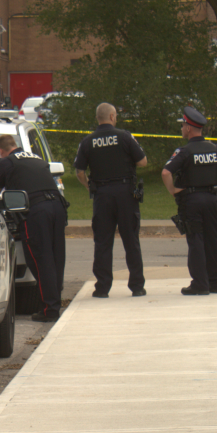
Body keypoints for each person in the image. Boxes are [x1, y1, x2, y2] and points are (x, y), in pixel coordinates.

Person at [0, 134, 67, 322]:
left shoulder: (6, 162)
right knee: (56, 257)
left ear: (0, 150)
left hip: (37, 212)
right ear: (15, 145)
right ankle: (54, 302)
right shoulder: (36, 158)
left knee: (41, 258)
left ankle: (50, 309)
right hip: (57, 207)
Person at [74, 102, 148, 298]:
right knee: (131, 240)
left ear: (97, 118)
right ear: (113, 116)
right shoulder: (125, 136)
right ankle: (137, 286)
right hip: (125, 193)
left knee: (103, 241)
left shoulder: (87, 142)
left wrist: (90, 185)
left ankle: (102, 288)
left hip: (102, 194)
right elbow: (142, 161)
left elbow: (79, 171)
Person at [161, 106, 217, 295]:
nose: (181, 129)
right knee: (212, 240)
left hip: (191, 201)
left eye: (182, 125)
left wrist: (173, 191)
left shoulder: (184, 152)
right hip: (211, 200)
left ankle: (200, 284)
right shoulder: (216, 149)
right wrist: (216, 187)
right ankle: (216, 283)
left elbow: (166, 172)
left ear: (188, 128)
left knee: (195, 241)